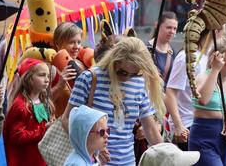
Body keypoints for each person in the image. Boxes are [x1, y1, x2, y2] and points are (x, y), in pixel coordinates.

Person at [61, 37, 165, 166]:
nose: (127, 77)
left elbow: (150, 129)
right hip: (94, 162)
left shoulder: (140, 82)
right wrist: (91, 147)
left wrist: (167, 157)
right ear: (113, 60)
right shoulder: (89, 78)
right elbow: (67, 119)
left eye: (134, 73)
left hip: (128, 161)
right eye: (122, 72)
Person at [189, 37, 226, 166]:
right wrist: (215, 69)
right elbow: (203, 99)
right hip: (203, 140)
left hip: (225, 142)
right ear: (218, 56)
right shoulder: (203, 76)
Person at [164, 33, 210, 151]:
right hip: (188, 126)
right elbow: (171, 92)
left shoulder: (209, 57)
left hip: (205, 124)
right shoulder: (186, 56)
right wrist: (179, 126)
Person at [3, 58, 52, 166]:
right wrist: (43, 130)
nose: (47, 79)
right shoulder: (20, 106)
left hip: (40, 159)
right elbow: (17, 136)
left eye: (48, 76)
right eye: (41, 75)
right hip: (26, 160)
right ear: (28, 78)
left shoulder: (43, 101)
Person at [51, 22, 83, 117]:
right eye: (72, 42)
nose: (77, 46)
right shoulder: (49, 68)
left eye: (79, 42)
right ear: (58, 44)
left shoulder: (82, 63)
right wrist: (60, 85)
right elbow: (40, 103)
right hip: (60, 125)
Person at [147, 12, 178, 84]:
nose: (172, 31)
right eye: (168, 27)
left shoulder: (172, 52)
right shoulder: (146, 49)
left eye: (175, 28)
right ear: (157, 26)